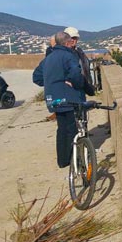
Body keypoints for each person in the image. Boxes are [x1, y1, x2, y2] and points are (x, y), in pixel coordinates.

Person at [32, 31, 86, 168]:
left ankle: (62, 161)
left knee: (61, 129)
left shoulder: (47, 59)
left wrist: (52, 83)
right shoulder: (68, 56)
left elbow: (36, 77)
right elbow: (76, 74)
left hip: (52, 100)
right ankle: (75, 160)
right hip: (68, 99)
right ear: (67, 43)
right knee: (72, 129)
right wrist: (75, 84)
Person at [64, 26, 95, 96]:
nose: (72, 40)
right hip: (70, 91)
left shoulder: (79, 51)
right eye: (70, 38)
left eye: (74, 38)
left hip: (82, 89)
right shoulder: (62, 54)